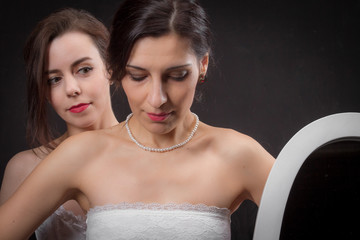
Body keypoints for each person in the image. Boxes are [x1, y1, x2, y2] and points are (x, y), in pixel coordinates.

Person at [0, 0, 275, 239]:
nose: (157, 99)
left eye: (176, 75)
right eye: (138, 76)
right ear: (117, 69)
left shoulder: (238, 154)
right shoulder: (81, 153)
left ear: (202, 65)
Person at [0, 8, 118, 240]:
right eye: (54, 79)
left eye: (84, 70)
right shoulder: (25, 168)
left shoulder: (150, 150)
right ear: (43, 91)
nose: (71, 89)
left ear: (111, 68)